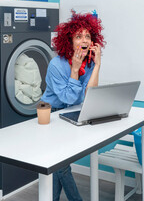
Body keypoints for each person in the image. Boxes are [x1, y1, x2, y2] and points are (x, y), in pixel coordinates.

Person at [41, 11, 106, 201]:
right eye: (78, 36)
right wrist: (75, 70)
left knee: (58, 164)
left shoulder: (90, 63)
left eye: (87, 36)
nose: (84, 39)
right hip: (51, 115)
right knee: (61, 165)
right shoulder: (56, 65)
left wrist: (98, 65)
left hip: (71, 112)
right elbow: (68, 97)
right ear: (69, 41)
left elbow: (90, 96)